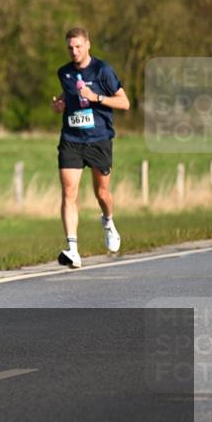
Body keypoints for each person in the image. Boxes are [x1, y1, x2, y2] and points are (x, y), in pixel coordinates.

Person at [51, 27, 130, 268]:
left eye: (78, 46)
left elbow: (124, 103)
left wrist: (97, 97)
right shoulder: (63, 72)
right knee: (68, 192)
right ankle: (73, 249)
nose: (74, 51)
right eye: (70, 47)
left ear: (88, 45)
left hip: (99, 139)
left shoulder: (102, 71)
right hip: (72, 139)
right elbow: (68, 96)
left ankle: (107, 221)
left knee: (102, 193)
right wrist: (60, 104)